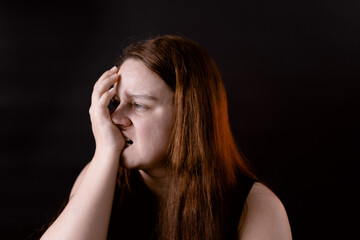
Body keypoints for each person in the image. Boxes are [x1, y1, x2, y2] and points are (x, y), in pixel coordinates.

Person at [40, 35, 292, 240]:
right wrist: (104, 154)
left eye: (138, 105)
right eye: (116, 102)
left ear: (188, 115)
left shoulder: (256, 208)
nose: (115, 118)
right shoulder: (100, 174)